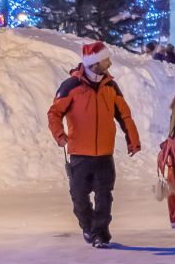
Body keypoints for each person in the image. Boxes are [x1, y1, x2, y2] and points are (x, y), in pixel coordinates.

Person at [47, 41, 141, 248]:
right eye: (106, 59)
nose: (110, 62)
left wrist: (132, 139)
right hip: (79, 154)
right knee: (79, 198)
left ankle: (101, 235)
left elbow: (124, 115)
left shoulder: (111, 86)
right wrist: (59, 134)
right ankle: (88, 226)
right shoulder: (70, 86)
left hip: (105, 155)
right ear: (95, 63)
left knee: (104, 197)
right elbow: (54, 113)